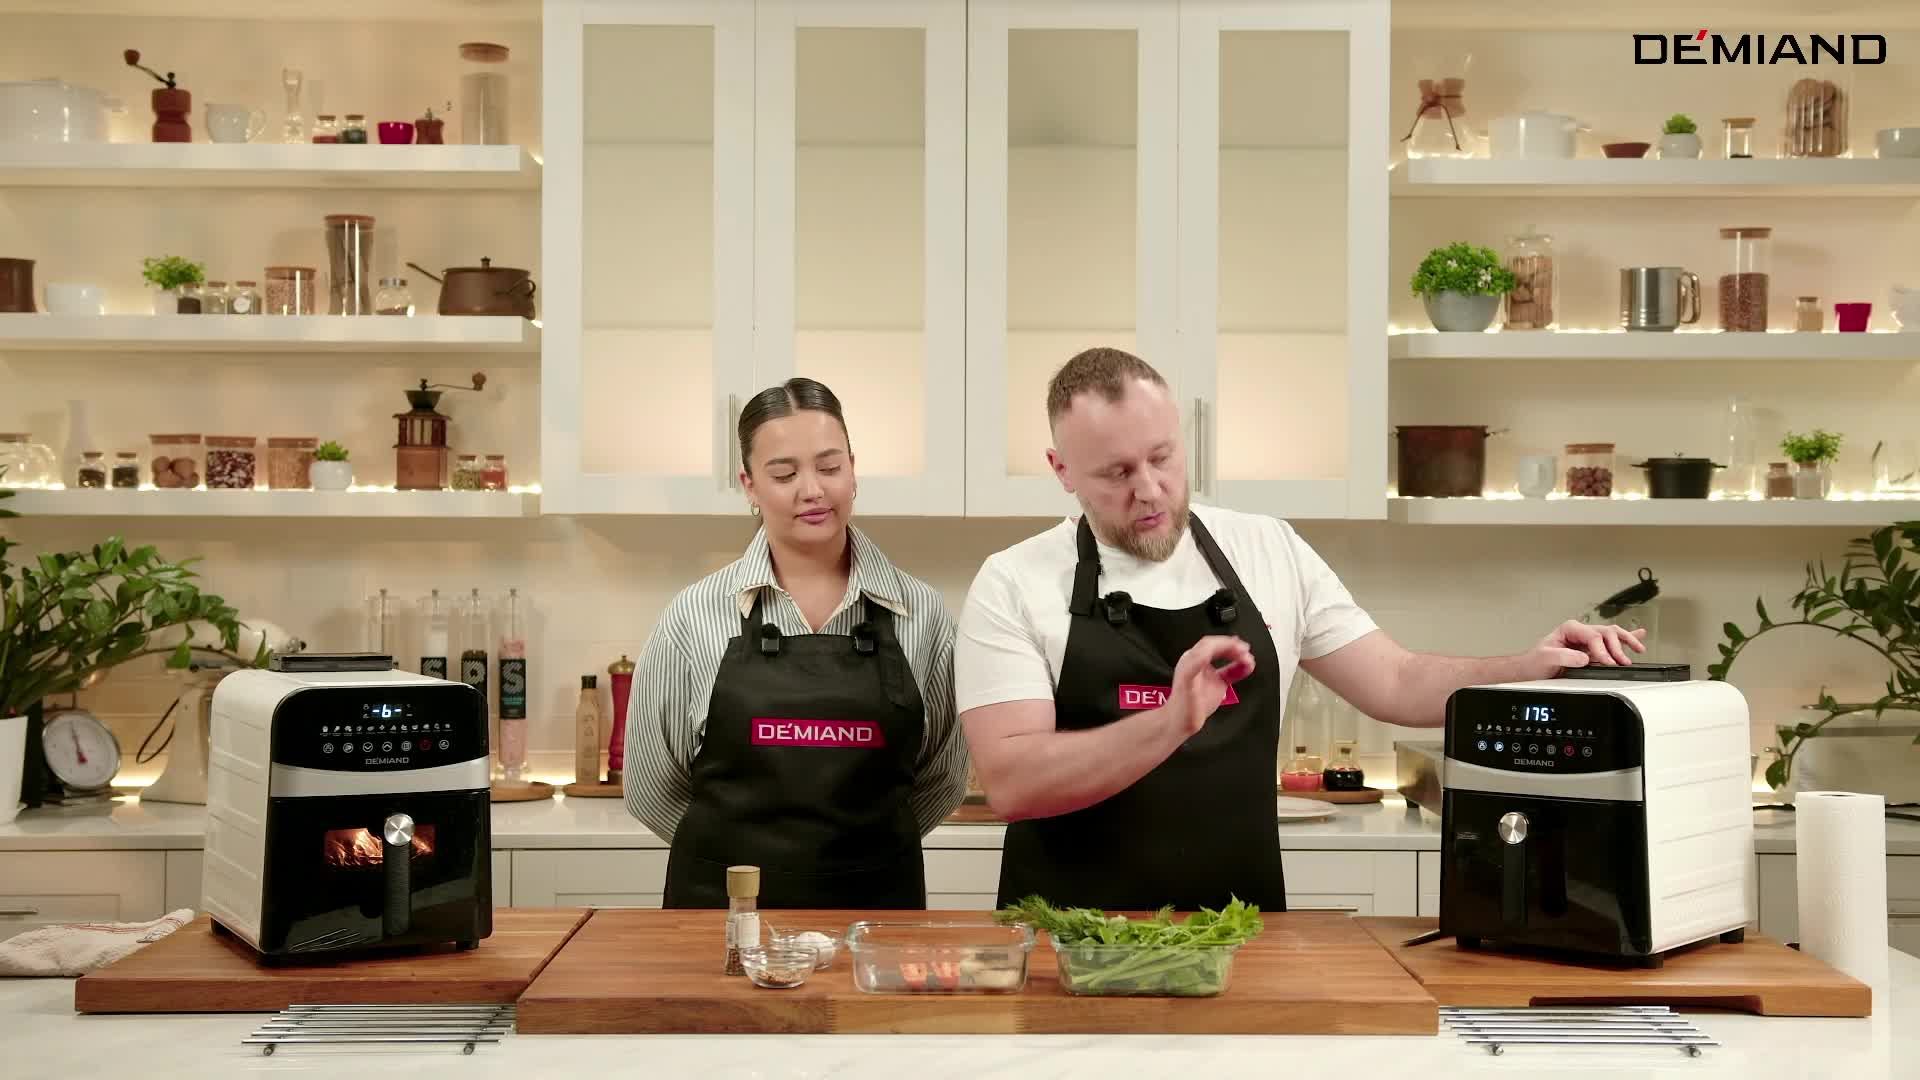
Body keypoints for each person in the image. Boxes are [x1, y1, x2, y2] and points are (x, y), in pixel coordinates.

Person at [956, 347, 1645, 913]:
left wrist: (1529, 665)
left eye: (1162, 457)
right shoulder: (1015, 582)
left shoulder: (1269, 550)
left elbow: (1397, 681)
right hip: (1065, 945)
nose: (1150, 489)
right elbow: (1013, 781)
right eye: (1116, 473)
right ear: (1062, 471)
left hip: (1240, 937)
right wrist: (1170, 721)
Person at [625, 377, 968, 908]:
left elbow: (944, 776)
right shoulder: (692, 617)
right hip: (722, 918)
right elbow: (651, 787)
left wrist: (855, 864)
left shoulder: (923, 615)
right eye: (784, 474)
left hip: (875, 920)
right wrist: (738, 863)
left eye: (830, 468)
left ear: (853, 470)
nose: (812, 490)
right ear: (749, 485)